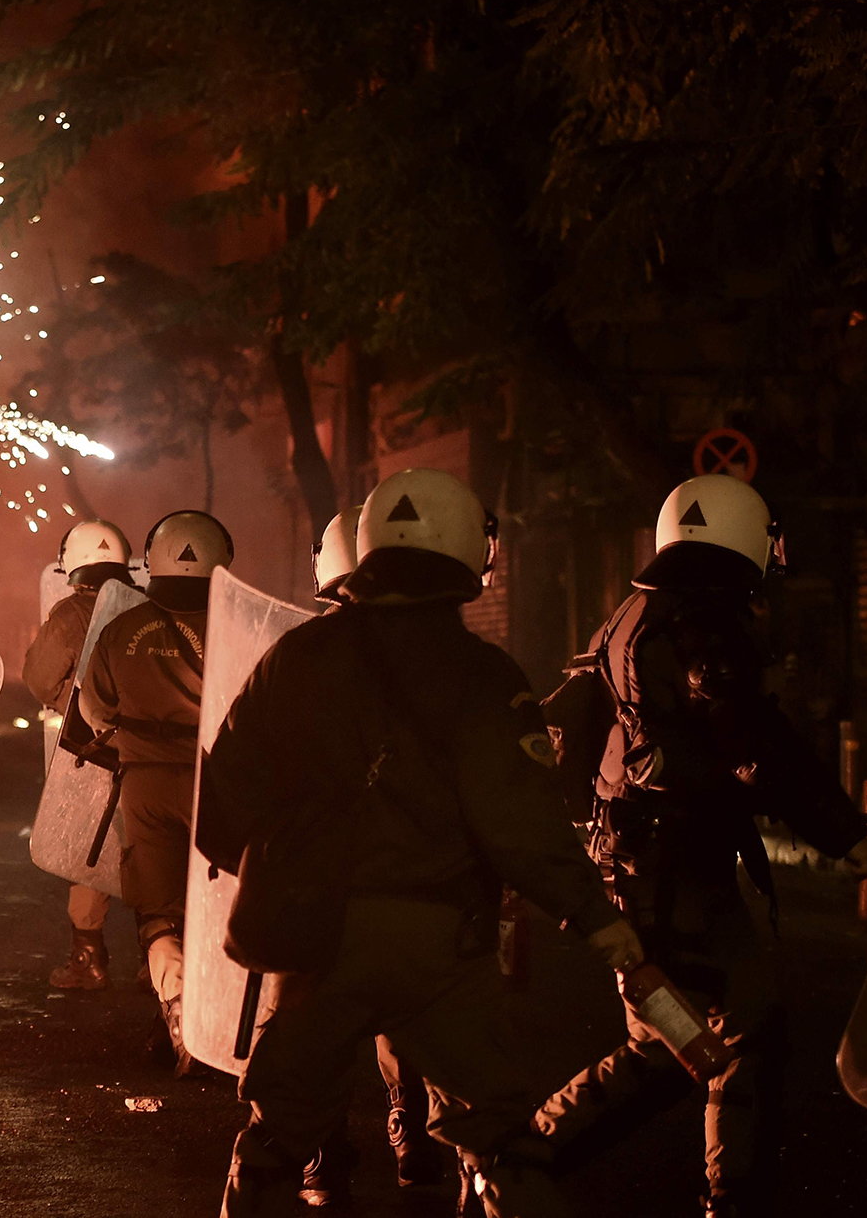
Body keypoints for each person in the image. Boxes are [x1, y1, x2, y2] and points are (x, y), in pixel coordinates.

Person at [199, 469, 643, 1218]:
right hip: (439, 944)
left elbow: (224, 797)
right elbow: (523, 823)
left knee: (275, 1140)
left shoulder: (295, 658)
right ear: (469, 551)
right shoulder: (485, 676)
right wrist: (595, 916)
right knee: (500, 1141)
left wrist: (277, 875)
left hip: (316, 940)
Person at [534, 474, 867, 1218]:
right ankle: (528, 1159)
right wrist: (849, 837)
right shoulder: (706, 625)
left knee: (695, 1038)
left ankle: (533, 1157)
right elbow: (757, 745)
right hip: (675, 873)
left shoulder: (632, 613)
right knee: (712, 1037)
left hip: (638, 865)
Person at [301, 505, 446, 1200]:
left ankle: (322, 1158)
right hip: (412, 869)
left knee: (320, 1021)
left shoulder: (294, 657)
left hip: (322, 871)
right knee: (403, 1008)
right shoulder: (445, 655)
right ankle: (413, 1135)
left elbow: (240, 766)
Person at [77, 509, 233, 1072]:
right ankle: (226, 1024)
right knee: (223, 907)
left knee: (158, 909)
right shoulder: (235, 630)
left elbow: (94, 709)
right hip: (219, 783)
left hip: (144, 784)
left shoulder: (121, 629)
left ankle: (179, 1017)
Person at [23, 519, 135, 990]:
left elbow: (39, 678)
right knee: (151, 851)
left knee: (89, 850)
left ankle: (88, 960)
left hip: (94, 751)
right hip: (152, 753)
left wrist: (68, 705)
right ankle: (161, 963)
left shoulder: (72, 613)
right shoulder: (148, 605)